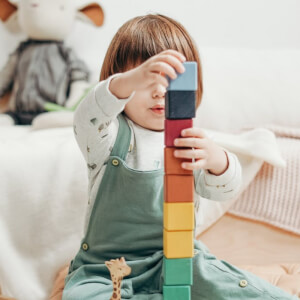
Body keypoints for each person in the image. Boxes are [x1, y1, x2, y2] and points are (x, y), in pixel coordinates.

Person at [62, 14, 297, 300]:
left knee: (226, 283)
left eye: (170, 81)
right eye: (146, 78)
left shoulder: (188, 139)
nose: (160, 90)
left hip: (176, 259)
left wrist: (217, 161)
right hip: (107, 268)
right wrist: (126, 82)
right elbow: (87, 117)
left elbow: (223, 190)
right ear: (120, 83)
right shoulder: (107, 136)